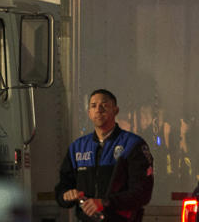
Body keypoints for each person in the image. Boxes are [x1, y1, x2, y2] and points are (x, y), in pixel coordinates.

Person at [55, 89, 154, 222]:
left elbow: (142, 193)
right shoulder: (77, 147)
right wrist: (65, 196)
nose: (98, 110)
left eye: (104, 105)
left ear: (115, 110)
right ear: (89, 113)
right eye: (93, 106)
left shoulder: (133, 145)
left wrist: (104, 203)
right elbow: (63, 187)